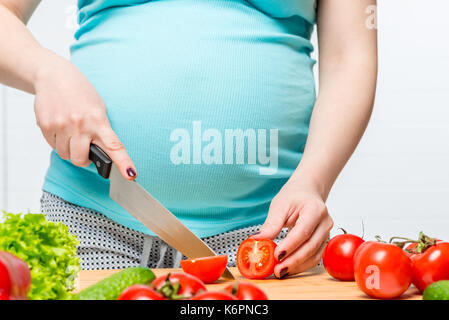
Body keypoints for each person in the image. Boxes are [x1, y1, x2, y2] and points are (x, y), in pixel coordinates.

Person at [0, 0, 377, 278]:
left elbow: (351, 55)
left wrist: (313, 180)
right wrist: (45, 71)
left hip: (263, 240)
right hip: (90, 224)